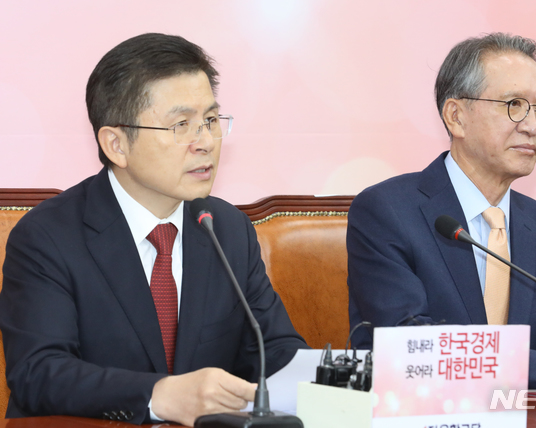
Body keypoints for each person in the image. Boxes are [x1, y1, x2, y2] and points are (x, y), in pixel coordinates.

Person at [0, 33, 307, 426]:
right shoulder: (47, 237)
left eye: (210, 120)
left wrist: (346, 382)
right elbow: (39, 372)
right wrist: (159, 395)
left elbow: (275, 352)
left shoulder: (227, 229)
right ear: (116, 144)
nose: (205, 142)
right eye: (181, 125)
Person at [347, 33, 536, 391]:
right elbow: (406, 341)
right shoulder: (386, 212)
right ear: (456, 117)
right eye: (514, 104)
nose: (533, 126)